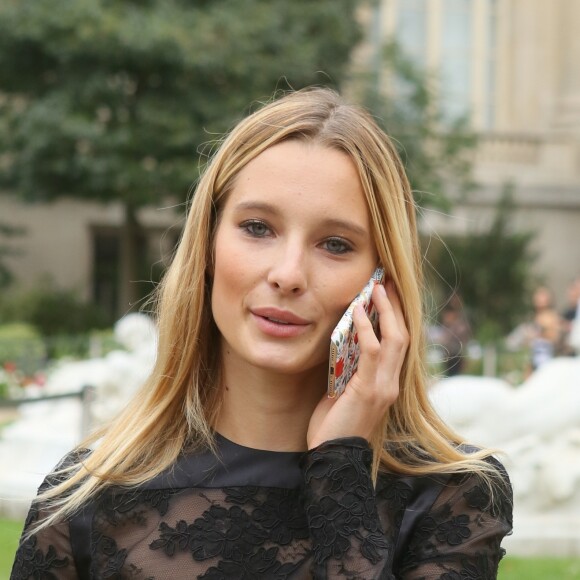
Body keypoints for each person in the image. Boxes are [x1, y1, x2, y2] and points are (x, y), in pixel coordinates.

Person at [11, 88, 512, 579]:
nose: (288, 273)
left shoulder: (452, 495)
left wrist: (341, 468)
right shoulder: (85, 493)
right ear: (207, 249)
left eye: (335, 244)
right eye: (257, 228)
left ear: (380, 282)